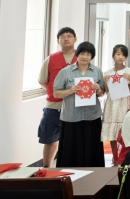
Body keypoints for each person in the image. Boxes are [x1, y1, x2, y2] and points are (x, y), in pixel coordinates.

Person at [53, 41, 105, 167]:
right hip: (71, 116)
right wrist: (70, 91)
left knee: (91, 147)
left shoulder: (97, 71)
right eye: (82, 54)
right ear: (77, 54)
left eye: (88, 54)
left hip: (91, 116)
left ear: (92, 56)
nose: (85, 57)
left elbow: (102, 93)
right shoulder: (65, 72)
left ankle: (93, 172)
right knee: (70, 148)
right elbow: (56, 93)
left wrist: (98, 89)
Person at [37, 27, 77, 168]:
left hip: (75, 107)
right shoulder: (51, 59)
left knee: (73, 141)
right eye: (62, 36)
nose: (66, 38)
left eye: (69, 36)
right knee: (50, 139)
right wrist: (55, 91)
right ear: (58, 41)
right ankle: (47, 168)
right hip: (53, 107)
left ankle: (72, 168)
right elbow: (42, 80)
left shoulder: (82, 58)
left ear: (75, 39)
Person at [101, 44, 130, 165]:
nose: (121, 57)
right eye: (118, 54)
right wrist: (105, 82)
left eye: (123, 55)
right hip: (112, 105)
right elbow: (106, 91)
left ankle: (126, 158)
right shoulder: (107, 73)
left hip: (125, 103)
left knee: (125, 131)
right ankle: (115, 158)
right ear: (113, 55)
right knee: (112, 134)